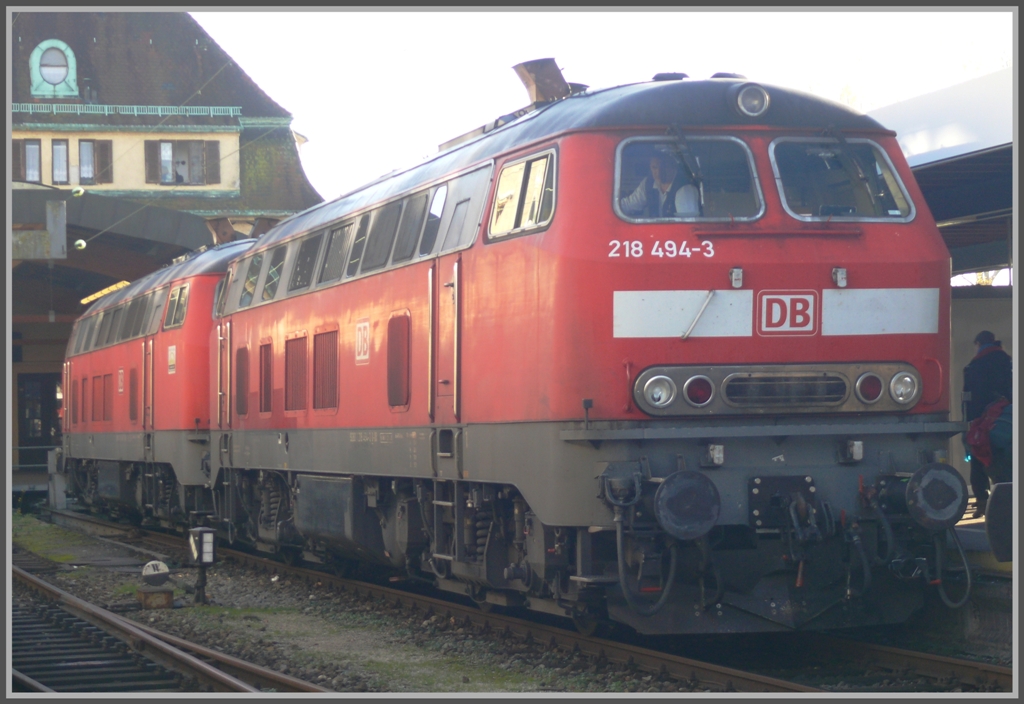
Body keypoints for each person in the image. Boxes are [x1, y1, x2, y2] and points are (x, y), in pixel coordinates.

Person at [962, 330, 1013, 518]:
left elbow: (969, 400)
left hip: (981, 424)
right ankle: (1007, 501)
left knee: (977, 460)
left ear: (977, 344)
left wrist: (967, 426)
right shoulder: (1007, 362)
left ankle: (982, 502)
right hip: (1007, 420)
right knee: (1006, 460)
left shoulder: (974, 366)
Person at [619, 154, 700, 218]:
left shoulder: (685, 189)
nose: (658, 172)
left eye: (663, 168)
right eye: (654, 167)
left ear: (673, 167)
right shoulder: (648, 183)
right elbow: (628, 205)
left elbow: (686, 226)